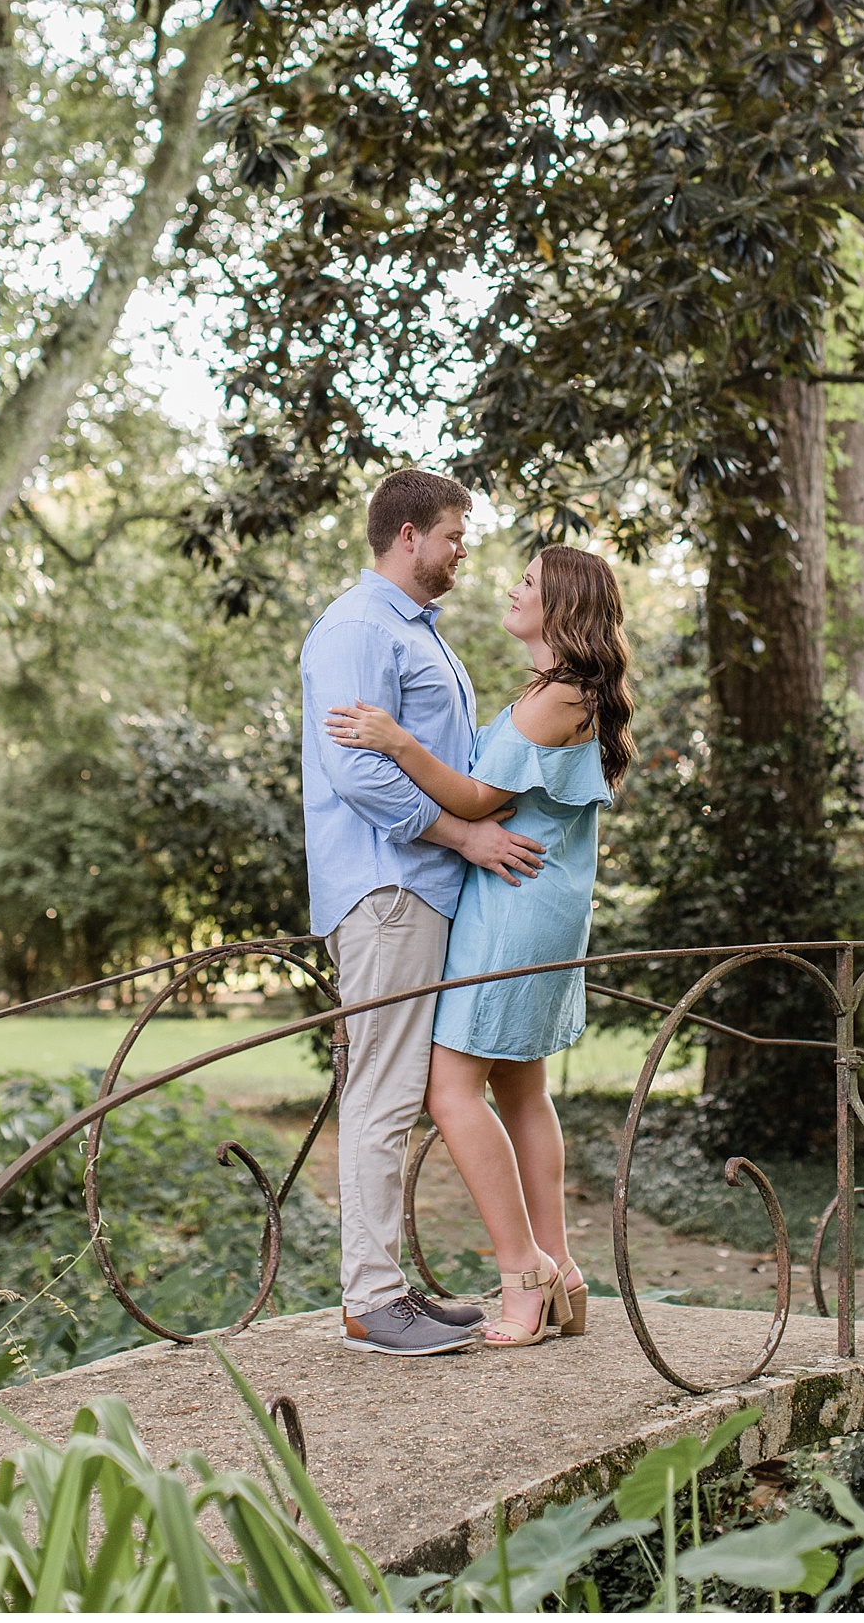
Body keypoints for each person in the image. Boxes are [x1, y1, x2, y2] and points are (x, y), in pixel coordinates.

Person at [327, 544, 635, 1348]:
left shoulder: (555, 697)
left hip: (509, 903)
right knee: (521, 1090)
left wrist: (395, 740)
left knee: (450, 1091)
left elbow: (473, 798)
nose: (511, 586)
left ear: (561, 606)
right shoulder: (561, 691)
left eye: (528, 583)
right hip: (537, 900)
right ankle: (559, 1269)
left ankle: (520, 1274)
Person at [300, 469, 547, 1358]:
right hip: (389, 889)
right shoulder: (359, 629)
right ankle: (370, 1299)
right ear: (408, 535)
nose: (461, 551)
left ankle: (388, 1289)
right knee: (384, 1091)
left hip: (419, 890)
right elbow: (355, 773)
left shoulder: (411, 632)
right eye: (452, 535)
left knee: (400, 1090)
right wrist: (464, 838)